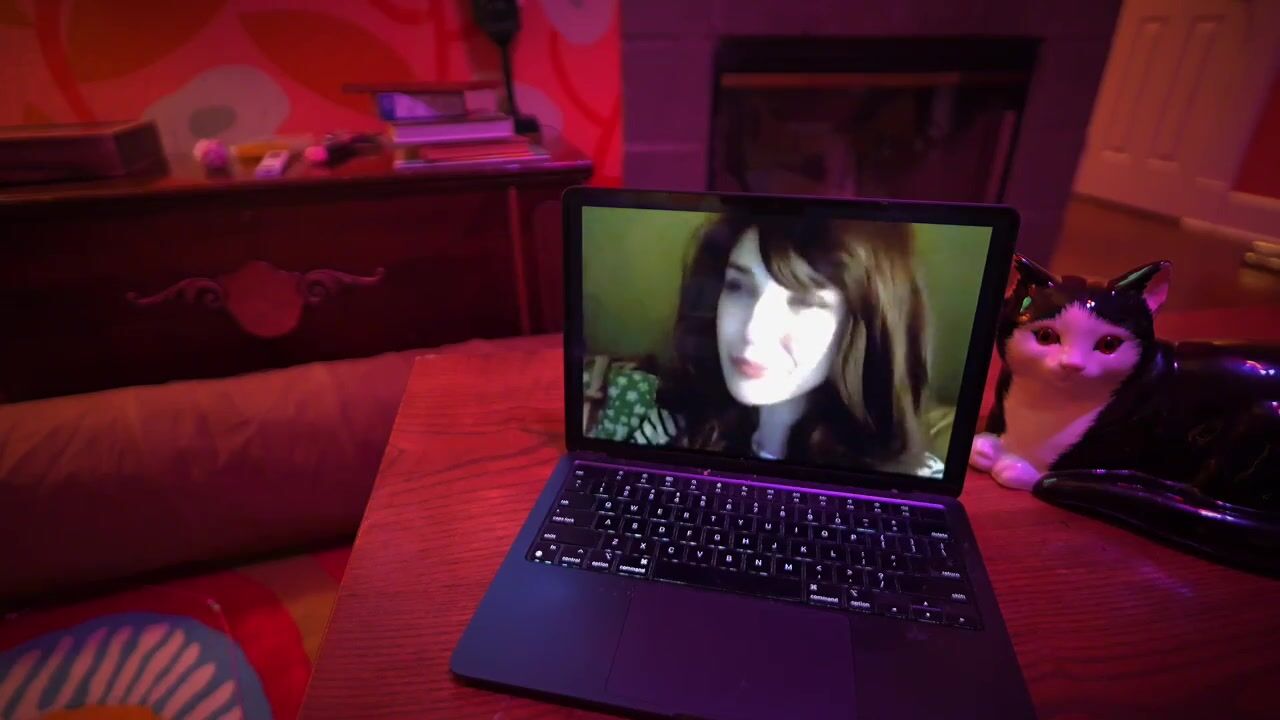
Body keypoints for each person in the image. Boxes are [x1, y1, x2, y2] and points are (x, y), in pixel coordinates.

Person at [593, 209, 942, 478]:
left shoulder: (913, 484)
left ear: (862, 325)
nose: (753, 331)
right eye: (738, 287)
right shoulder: (673, 430)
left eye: (804, 301)